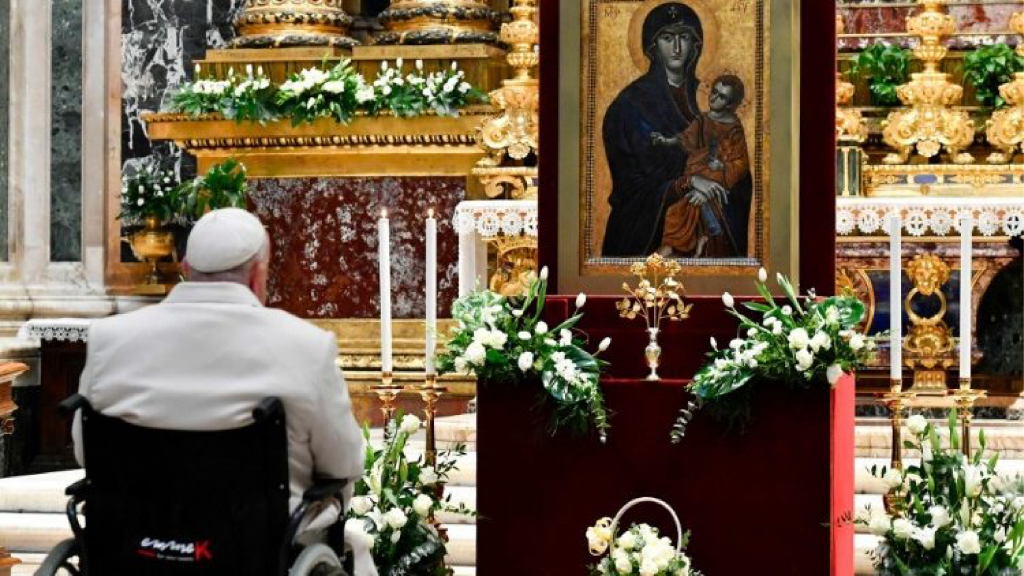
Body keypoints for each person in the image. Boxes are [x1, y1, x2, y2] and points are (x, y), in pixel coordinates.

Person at [71, 208, 364, 536]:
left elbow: (86, 452)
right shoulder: (307, 346)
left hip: (135, 541)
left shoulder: (108, 339)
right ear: (258, 275)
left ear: (185, 268)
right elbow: (345, 463)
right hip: (255, 543)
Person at [602, 3, 715, 257]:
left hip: (706, 219)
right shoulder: (629, 105)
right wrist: (684, 184)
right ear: (652, 46)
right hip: (644, 229)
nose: (677, 47)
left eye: (684, 37)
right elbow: (629, 185)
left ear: (695, 45)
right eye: (667, 38)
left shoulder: (711, 97)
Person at [651, 74, 751, 258]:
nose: (714, 97)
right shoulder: (703, 120)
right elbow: (685, 138)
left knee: (692, 204)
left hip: (719, 177)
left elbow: (740, 164)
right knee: (676, 211)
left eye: (722, 96)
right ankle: (698, 237)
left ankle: (704, 234)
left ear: (730, 104)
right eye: (714, 92)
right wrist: (665, 140)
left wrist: (722, 166)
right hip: (698, 171)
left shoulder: (735, 130)